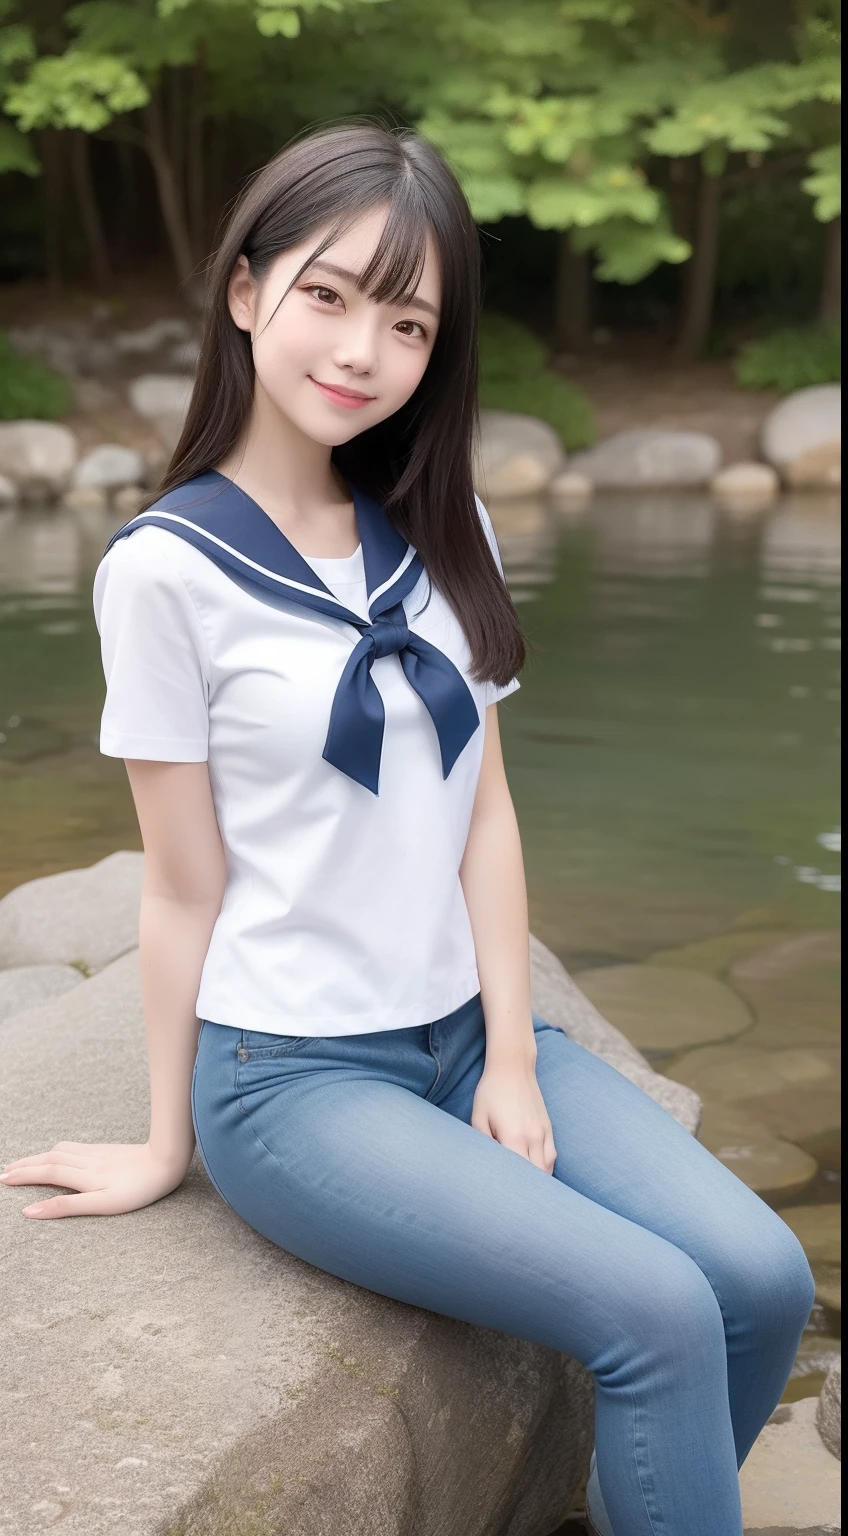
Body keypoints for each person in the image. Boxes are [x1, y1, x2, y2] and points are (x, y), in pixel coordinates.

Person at [0, 120, 815, 1536]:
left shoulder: (444, 527)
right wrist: (157, 1141)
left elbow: (483, 809)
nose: (362, 347)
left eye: (409, 318)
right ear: (247, 291)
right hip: (296, 1080)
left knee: (761, 1281)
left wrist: (510, 1054)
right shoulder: (166, 575)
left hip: (465, 1041)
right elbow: (182, 890)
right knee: (658, 1316)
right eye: (329, 293)